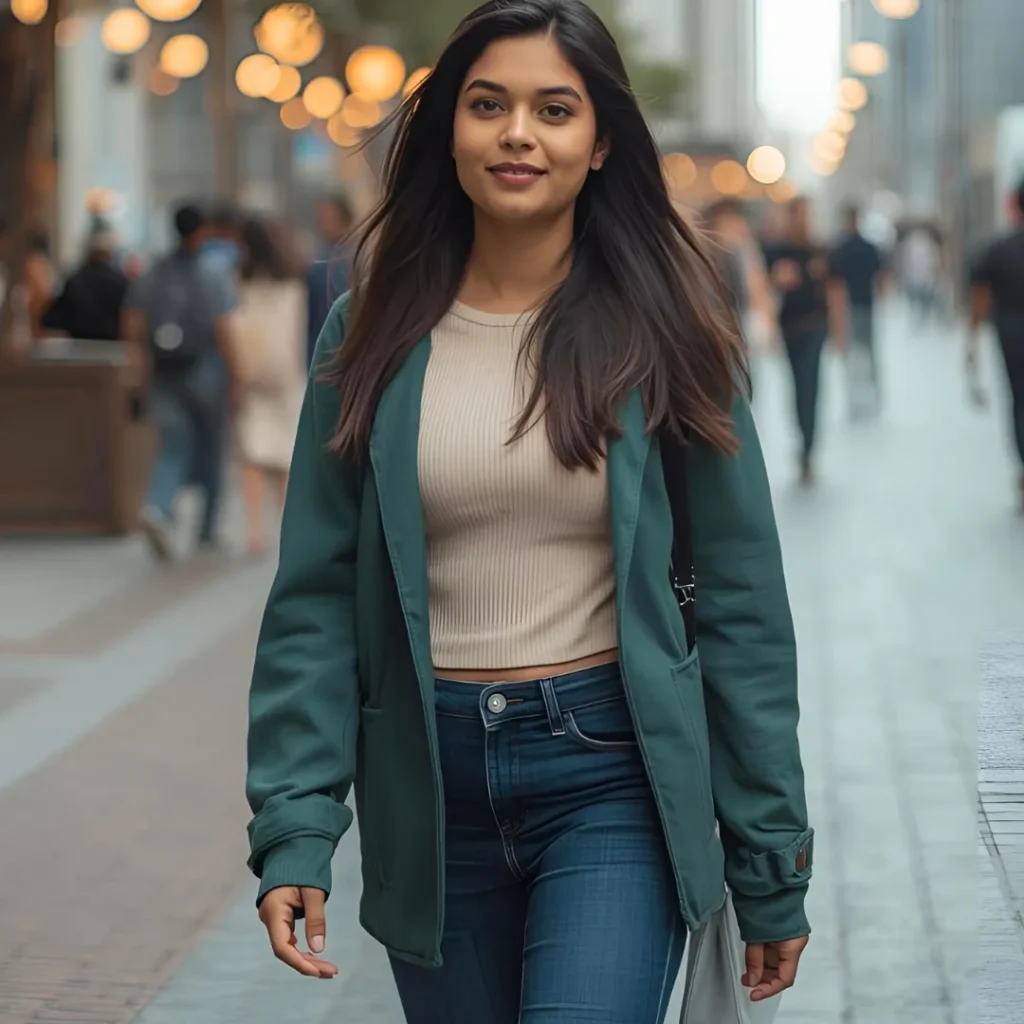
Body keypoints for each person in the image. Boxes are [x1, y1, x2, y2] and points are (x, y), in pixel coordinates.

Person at [245, 2, 813, 1021]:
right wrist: (295, 825)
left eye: (555, 109)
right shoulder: (365, 335)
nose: (517, 132)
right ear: (447, 131)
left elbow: (741, 604)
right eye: (486, 105)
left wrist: (769, 859)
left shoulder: (670, 332)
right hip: (428, 784)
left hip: (612, 773)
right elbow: (315, 598)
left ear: (600, 144)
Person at [123, 203, 240, 560]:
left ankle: (158, 507)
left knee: (172, 447)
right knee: (212, 448)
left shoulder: (152, 273)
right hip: (206, 371)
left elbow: (132, 327)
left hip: (163, 372)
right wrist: (237, 377)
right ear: (201, 232)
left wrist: (139, 377)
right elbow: (225, 329)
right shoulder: (214, 273)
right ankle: (206, 529)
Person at [234, 216, 307, 557]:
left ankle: (254, 531)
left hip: (251, 370)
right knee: (286, 452)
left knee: (252, 451)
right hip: (288, 369)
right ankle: (287, 526)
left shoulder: (240, 276)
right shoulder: (293, 276)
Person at [764, 196, 847, 485]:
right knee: (797, 385)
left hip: (815, 327)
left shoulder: (821, 251)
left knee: (811, 384)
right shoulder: (776, 251)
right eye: (797, 215)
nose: (802, 221)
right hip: (789, 328)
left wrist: (839, 331)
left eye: (806, 215)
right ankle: (801, 436)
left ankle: (809, 447)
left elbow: (835, 290)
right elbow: (760, 288)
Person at [968, 177, 1024, 512]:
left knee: (1018, 399)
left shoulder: (998, 249)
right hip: (1010, 330)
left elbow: (980, 298)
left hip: (1010, 332)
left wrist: (971, 344)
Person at [830, 203, 886, 418]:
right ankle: (867, 398)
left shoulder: (842, 249)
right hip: (859, 305)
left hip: (857, 306)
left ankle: (861, 399)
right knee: (864, 353)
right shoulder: (862, 248)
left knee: (859, 354)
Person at [40, 222, 129, 341]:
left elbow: (50, 319)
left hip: (78, 351)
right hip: (114, 351)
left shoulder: (74, 281)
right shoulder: (121, 283)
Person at [306, 194, 354, 368]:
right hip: (322, 342)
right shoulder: (318, 258)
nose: (322, 223)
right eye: (319, 218)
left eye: (327, 217)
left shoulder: (353, 255)